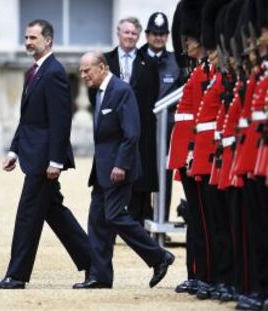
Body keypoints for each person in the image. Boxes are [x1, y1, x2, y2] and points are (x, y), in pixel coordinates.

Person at [0, 19, 91, 290]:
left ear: (48, 41)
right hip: (33, 155)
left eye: (33, 38)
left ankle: (17, 275)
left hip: (45, 160)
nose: (28, 42)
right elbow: (27, 119)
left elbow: (61, 121)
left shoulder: (55, 72)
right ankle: (96, 263)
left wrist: (55, 161)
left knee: (27, 215)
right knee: (56, 214)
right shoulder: (33, 72)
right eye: (26, 38)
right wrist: (14, 149)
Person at [73, 51, 174, 289]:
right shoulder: (99, 92)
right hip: (101, 170)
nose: (83, 74)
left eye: (87, 70)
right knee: (97, 221)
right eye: (81, 70)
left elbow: (132, 133)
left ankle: (159, 257)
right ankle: (100, 276)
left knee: (115, 216)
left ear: (103, 67)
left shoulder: (121, 90)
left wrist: (121, 164)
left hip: (119, 169)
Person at [103, 17, 160, 225]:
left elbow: (153, 96)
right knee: (110, 174)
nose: (129, 37)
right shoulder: (106, 61)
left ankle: (137, 220)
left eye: (133, 33)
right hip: (112, 127)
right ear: (118, 34)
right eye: (126, 32)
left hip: (140, 128)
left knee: (139, 176)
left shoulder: (149, 63)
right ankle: (111, 220)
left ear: (139, 36)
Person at [140, 12, 183, 225]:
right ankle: (139, 221)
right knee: (140, 173)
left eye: (162, 34)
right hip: (142, 127)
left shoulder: (176, 62)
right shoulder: (137, 58)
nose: (158, 38)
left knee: (165, 175)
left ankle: (161, 220)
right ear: (147, 35)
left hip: (167, 127)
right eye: (154, 33)